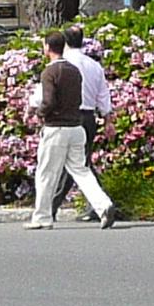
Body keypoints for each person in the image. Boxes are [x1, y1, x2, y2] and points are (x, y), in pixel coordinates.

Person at [30, 28, 115, 228]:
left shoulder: (51, 71)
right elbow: (102, 95)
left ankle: (42, 217)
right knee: (81, 170)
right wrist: (108, 118)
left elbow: (46, 98)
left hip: (57, 127)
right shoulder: (79, 69)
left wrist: (39, 113)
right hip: (78, 124)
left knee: (46, 173)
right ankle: (103, 205)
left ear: (48, 47)